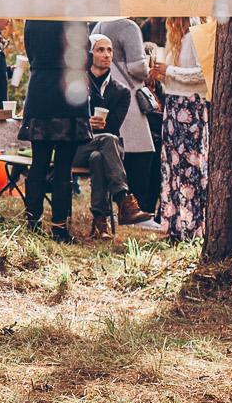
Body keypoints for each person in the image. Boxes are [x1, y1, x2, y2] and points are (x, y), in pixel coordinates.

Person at [19, 19, 93, 243]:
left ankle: (32, 224)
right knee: (63, 168)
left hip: (41, 91)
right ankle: (59, 228)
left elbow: (30, 52)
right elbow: (85, 59)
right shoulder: (76, 19)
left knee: (38, 165)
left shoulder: (34, 18)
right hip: (69, 94)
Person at [78, 35, 158, 234]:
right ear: (90, 55)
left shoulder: (121, 91)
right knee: (108, 141)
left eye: (109, 50)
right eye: (100, 50)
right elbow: (67, 123)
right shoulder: (77, 84)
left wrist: (102, 126)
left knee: (99, 156)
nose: (106, 55)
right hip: (76, 147)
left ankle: (100, 223)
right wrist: (86, 122)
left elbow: (113, 128)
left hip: (104, 149)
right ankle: (124, 200)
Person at [90, 16, 159, 212]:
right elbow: (137, 67)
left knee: (117, 146)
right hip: (129, 93)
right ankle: (138, 207)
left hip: (107, 89)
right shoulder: (129, 27)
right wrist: (149, 68)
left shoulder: (99, 24)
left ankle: (121, 204)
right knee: (141, 151)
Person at [158, 17, 210, 242]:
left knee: (192, 167)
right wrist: (162, 75)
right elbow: (174, 77)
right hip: (173, 104)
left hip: (191, 105)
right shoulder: (175, 38)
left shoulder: (199, 33)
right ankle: (175, 225)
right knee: (173, 166)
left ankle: (193, 226)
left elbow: (201, 73)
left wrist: (168, 70)